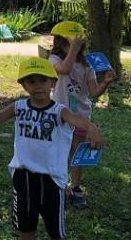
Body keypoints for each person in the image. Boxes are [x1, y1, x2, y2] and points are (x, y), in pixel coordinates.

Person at [0, 57, 105, 240]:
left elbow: (76, 119)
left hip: (52, 180)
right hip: (23, 176)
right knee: (26, 228)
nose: (38, 86)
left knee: (55, 232)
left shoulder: (59, 110)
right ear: (24, 85)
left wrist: (92, 127)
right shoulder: (19, 107)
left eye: (43, 80)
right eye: (31, 81)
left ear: (53, 82)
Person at [48, 21, 115, 209]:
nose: (74, 46)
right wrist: (73, 51)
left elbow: (93, 92)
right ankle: (59, 185)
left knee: (77, 153)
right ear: (60, 44)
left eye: (76, 43)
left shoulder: (87, 65)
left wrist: (106, 83)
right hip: (60, 114)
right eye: (69, 42)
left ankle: (75, 187)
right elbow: (64, 70)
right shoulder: (55, 60)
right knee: (59, 151)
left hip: (82, 117)